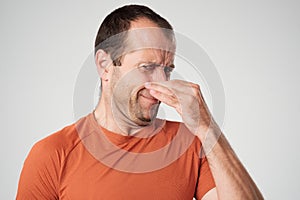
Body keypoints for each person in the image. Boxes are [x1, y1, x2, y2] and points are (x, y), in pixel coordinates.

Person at [16, 4, 263, 200]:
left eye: (167, 70)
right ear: (105, 65)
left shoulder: (189, 143)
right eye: (147, 67)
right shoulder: (53, 154)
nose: (161, 82)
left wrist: (206, 128)